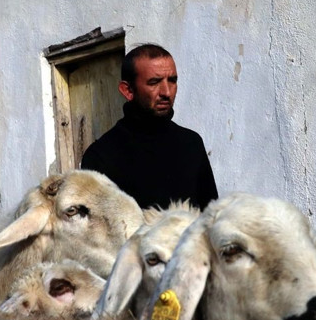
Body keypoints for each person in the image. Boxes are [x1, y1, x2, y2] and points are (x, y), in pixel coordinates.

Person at [80, 44, 218, 210]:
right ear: (128, 90)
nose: (166, 92)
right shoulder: (101, 156)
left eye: (172, 80)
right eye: (154, 82)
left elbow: (211, 216)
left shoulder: (191, 143)